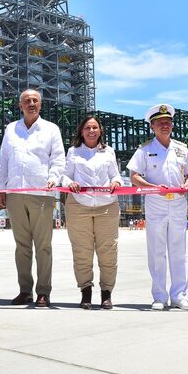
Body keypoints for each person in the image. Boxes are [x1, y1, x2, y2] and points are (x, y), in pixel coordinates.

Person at [0, 89, 65, 307]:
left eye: (35, 100)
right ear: (21, 106)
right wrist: (1, 189)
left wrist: (53, 178)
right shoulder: (11, 129)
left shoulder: (51, 129)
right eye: (27, 101)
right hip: (15, 194)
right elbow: (4, 161)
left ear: (40, 105)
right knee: (22, 246)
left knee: (43, 245)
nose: (31, 104)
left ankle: (43, 291)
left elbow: (58, 159)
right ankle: (25, 290)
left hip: (41, 194)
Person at [128, 103, 188, 311]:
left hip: (178, 202)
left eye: (168, 122)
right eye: (160, 123)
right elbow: (134, 176)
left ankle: (179, 295)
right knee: (157, 251)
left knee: (179, 251)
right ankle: (159, 296)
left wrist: (186, 185)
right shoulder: (145, 149)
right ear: (152, 126)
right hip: (156, 203)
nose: (165, 126)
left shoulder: (181, 149)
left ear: (172, 125)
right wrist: (153, 188)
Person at [61, 115, 123, 310]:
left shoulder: (108, 151)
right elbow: (65, 175)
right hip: (79, 205)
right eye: (87, 128)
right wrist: (70, 183)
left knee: (108, 251)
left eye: (95, 127)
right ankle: (85, 292)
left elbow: (115, 174)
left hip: (107, 206)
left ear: (100, 131)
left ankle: (106, 294)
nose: (91, 131)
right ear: (81, 131)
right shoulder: (73, 151)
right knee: (82, 251)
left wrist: (116, 182)